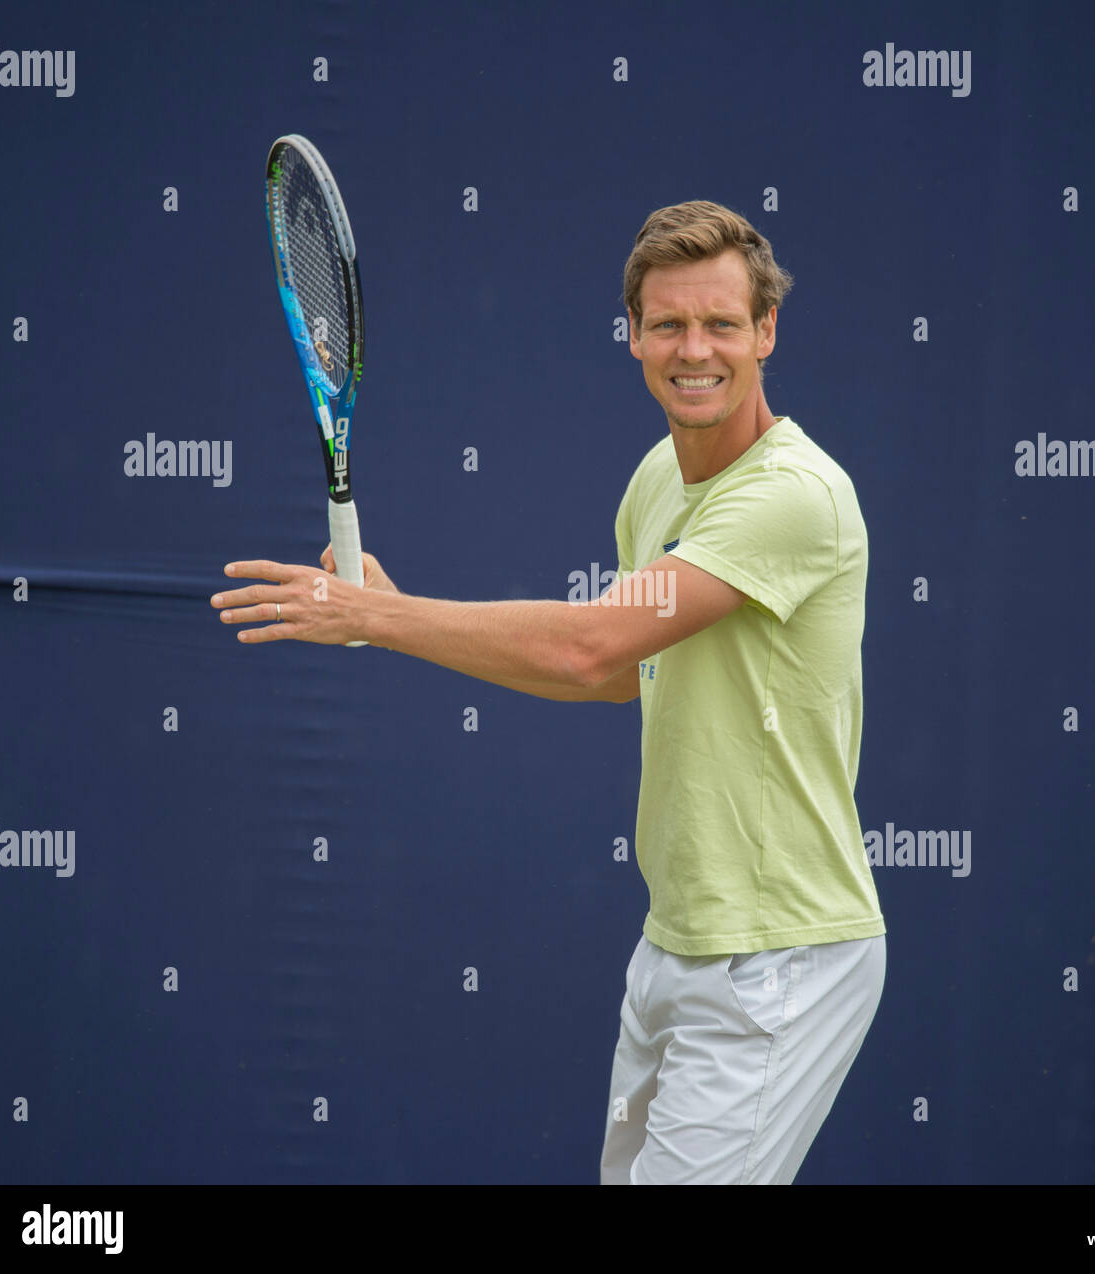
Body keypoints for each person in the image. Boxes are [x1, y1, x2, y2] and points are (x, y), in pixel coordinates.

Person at [211, 200, 886, 1185]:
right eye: (667, 325)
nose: (693, 349)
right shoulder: (657, 478)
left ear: (765, 333)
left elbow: (588, 642)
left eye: (721, 324)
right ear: (633, 337)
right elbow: (617, 673)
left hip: (780, 957)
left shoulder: (794, 494)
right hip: (676, 940)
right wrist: (396, 619)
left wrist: (378, 618)